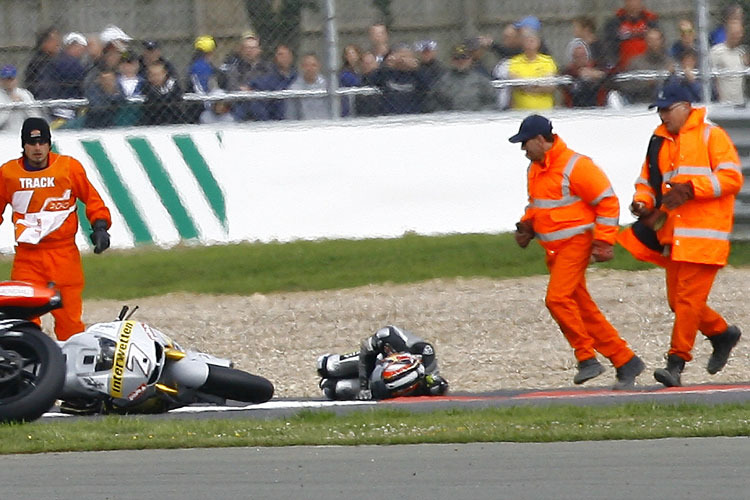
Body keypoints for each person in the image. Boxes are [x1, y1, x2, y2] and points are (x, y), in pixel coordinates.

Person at [618, 81, 743, 387]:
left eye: (667, 109)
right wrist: (642, 202)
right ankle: (721, 333)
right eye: (659, 110)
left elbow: (732, 178)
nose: (662, 116)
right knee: (678, 301)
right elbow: (647, 179)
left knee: (686, 301)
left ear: (687, 107)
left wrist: (690, 190)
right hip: (675, 237)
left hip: (705, 236)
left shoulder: (712, 136)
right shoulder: (659, 141)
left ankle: (676, 364)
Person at [509, 114, 645, 390]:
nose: (523, 149)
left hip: (576, 244)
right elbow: (538, 205)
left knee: (557, 299)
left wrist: (604, 241)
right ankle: (625, 360)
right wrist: (527, 225)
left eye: (525, 143)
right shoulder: (535, 169)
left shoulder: (576, 165)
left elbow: (607, 201)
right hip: (555, 250)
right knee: (582, 309)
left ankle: (586, 357)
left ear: (540, 140)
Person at [0, 117, 111, 341]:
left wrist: (100, 226)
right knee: (22, 320)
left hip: (63, 255)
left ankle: (70, 368)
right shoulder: (8, 174)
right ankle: (30, 366)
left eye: (42, 142)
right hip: (27, 257)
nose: (37, 148)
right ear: (23, 145)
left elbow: (92, 199)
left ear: (49, 143)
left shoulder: (68, 168)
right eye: (32, 143)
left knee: (69, 320)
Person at [316, 325, 448, 400]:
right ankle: (332, 363)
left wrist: (435, 386)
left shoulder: (426, 353)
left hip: (383, 385)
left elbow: (435, 382)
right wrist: (364, 387)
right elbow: (366, 353)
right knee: (327, 366)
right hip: (375, 362)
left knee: (333, 389)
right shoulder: (387, 336)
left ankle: (331, 384)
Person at [426, 43, 495, 112]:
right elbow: (433, 104)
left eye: (464, 57)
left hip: (476, 119)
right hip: (451, 119)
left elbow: (492, 102)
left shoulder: (482, 80)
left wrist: (480, 114)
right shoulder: (442, 81)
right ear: (451, 61)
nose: (460, 61)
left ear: (471, 59)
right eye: (456, 58)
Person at [618, 27, 673, 105]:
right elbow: (626, 87)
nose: (654, 43)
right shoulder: (635, 63)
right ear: (646, 42)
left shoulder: (671, 63)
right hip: (641, 105)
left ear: (662, 41)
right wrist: (648, 83)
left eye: (657, 40)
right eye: (650, 40)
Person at [507, 29, 558, 110]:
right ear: (522, 43)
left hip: (545, 111)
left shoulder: (547, 61)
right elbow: (516, 84)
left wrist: (527, 86)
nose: (529, 44)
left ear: (538, 43)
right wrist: (538, 84)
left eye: (532, 41)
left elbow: (550, 86)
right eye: (526, 41)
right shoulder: (514, 62)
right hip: (520, 111)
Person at [603, 0, 659, 71]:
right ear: (625, 3)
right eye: (630, 1)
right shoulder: (614, 22)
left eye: (637, 1)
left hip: (648, 67)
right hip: (622, 69)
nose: (634, 4)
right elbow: (609, 46)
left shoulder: (650, 21)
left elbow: (659, 43)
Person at [249, 44, 297, 121]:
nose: (284, 57)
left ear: (291, 57)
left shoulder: (297, 78)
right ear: (275, 57)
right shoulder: (267, 80)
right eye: (280, 54)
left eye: (287, 54)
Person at [710, 20, 748, 105]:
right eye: (735, 33)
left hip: (740, 103)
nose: (738, 36)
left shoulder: (741, 52)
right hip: (723, 104)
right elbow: (710, 77)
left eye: (740, 33)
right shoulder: (716, 52)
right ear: (728, 33)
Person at [285, 53, 331, 121]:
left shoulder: (328, 85)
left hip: (326, 125)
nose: (310, 69)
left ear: (319, 66)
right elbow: (291, 115)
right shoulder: (294, 89)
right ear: (301, 67)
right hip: (304, 127)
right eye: (306, 65)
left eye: (314, 65)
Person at [0, 65, 42, 133]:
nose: (8, 82)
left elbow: (36, 116)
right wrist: (11, 106)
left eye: (11, 79)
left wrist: (23, 104)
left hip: (22, 132)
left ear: (16, 80)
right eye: (6, 79)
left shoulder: (24, 94)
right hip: (3, 134)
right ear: (1, 81)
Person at [141, 60, 184, 125]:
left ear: (165, 73)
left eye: (158, 74)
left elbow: (177, 96)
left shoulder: (173, 84)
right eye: (152, 74)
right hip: (152, 118)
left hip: (174, 117)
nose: (155, 77)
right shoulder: (146, 86)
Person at [23, 27, 61, 98]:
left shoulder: (52, 60)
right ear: (44, 43)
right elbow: (44, 89)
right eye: (54, 40)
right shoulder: (40, 62)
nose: (57, 43)